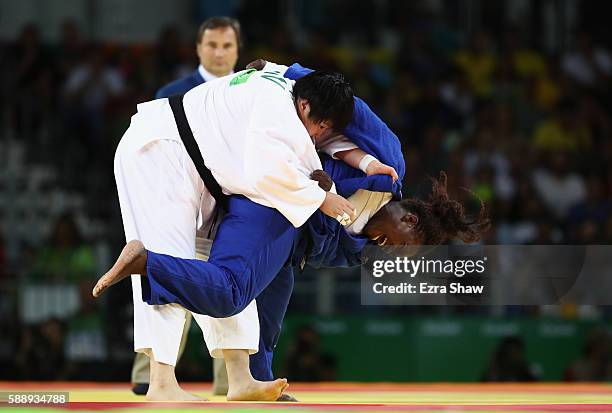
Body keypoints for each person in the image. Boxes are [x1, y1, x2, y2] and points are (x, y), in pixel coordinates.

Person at [96, 61, 488, 399]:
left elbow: (307, 252)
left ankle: (249, 379)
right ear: (409, 220)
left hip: (273, 211)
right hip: (264, 196)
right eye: (404, 247)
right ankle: (154, 299)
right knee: (229, 289)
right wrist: (283, 71)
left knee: (270, 293)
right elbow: (347, 106)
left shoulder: (355, 248)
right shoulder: (388, 162)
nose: (391, 252)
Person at [132, 16, 241, 398]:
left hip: (226, 204)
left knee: (228, 286)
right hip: (175, 199)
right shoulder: (173, 91)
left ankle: (231, 380)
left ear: (237, 49)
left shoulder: (246, 92)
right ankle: (151, 375)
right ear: (198, 48)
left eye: (227, 46)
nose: (219, 53)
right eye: (212, 45)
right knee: (166, 273)